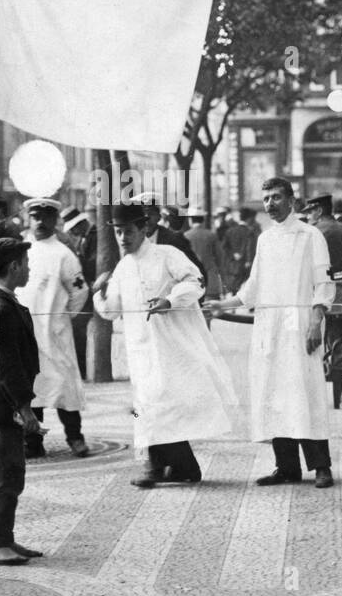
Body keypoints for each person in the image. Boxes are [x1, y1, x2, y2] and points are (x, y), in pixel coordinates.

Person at [97, 203, 240, 487]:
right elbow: (111, 310)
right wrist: (98, 293)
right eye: (118, 233)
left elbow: (195, 281)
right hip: (140, 351)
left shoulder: (167, 255)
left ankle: (158, 468)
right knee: (148, 406)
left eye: (128, 232)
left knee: (162, 406)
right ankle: (181, 467)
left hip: (171, 348)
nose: (123, 239)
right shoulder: (123, 267)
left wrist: (170, 300)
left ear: (143, 229)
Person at [208, 178, 336, 488]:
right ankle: (286, 466)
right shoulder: (265, 239)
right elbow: (253, 286)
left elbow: (324, 283)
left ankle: (321, 467)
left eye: (277, 197)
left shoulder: (311, 235)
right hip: (270, 327)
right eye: (265, 198)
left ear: (292, 200)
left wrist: (315, 321)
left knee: (305, 392)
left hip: (299, 325)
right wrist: (223, 303)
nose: (270, 204)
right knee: (275, 394)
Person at [0, 238, 44, 565]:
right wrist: (24, 407)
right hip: (1, 405)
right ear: (14, 266)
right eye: (25, 264)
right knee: (8, 472)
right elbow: (4, 363)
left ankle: (5, 538)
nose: (28, 269)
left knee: (9, 470)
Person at [16, 198, 90, 458]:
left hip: (54, 332)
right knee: (31, 389)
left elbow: (80, 291)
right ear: (28, 218)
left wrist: (61, 318)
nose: (39, 221)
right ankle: (33, 442)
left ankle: (75, 437)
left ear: (54, 220)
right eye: (35, 216)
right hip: (26, 332)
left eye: (46, 217)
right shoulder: (21, 250)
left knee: (64, 386)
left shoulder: (63, 254)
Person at [60, 207, 96, 379]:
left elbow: (94, 263)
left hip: (90, 291)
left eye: (74, 228)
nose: (73, 232)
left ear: (81, 224)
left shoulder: (95, 236)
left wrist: (75, 260)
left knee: (79, 333)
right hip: (85, 289)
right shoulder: (84, 238)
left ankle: (80, 372)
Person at [137, 193, 206, 284]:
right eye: (143, 215)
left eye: (151, 214)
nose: (146, 220)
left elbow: (198, 275)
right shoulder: (133, 242)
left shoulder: (174, 240)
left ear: (159, 216)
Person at [305, 193, 342, 275]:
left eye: (310, 212)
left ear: (319, 211)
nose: (308, 217)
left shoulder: (313, 232)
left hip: (322, 285)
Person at [184, 209, 225, 299]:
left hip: (191, 279)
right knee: (211, 307)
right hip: (210, 279)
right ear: (203, 220)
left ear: (190, 220)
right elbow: (220, 256)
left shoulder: (185, 236)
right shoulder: (211, 235)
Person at [220, 208, 256, 295]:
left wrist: (233, 254)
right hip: (244, 266)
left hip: (231, 265)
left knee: (233, 288)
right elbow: (250, 248)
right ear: (249, 218)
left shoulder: (230, 231)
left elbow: (224, 247)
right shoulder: (249, 232)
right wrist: (248, 261)